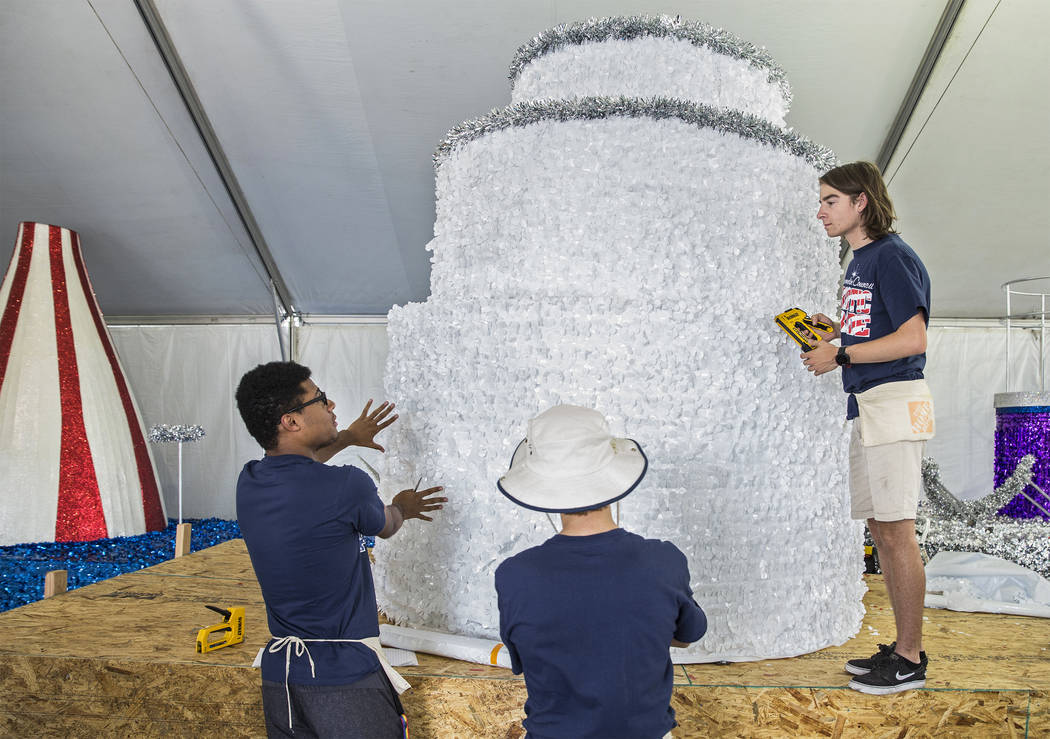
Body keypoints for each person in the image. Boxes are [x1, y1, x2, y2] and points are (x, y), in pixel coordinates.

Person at [234, 361, 446, 737]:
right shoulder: (348, 485)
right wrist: (403, 506)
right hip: (345, 679)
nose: (331, 407)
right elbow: (386, 524)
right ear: (292, 422)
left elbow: (299, 472)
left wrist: (346, 437)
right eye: (321, 400)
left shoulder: (250, 482)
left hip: (283, 678)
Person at [494, 404, 707, 738]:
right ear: (611, 481)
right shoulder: (664, 561)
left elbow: (524, 656)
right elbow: (687, 635)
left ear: (545, 487)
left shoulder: (514, 576)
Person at [802, 161, 934, 695]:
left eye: (831, 200)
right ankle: (901, 650)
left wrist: (842, 354)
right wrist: (835, 331)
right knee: (882, 530)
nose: (821, 211)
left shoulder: (891, 256)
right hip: (869, 403)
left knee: (897, 531)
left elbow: (913, 338)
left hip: (894, 401)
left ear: (861, 202)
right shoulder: (861, 261)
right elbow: (875, 326)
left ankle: (909, 658)